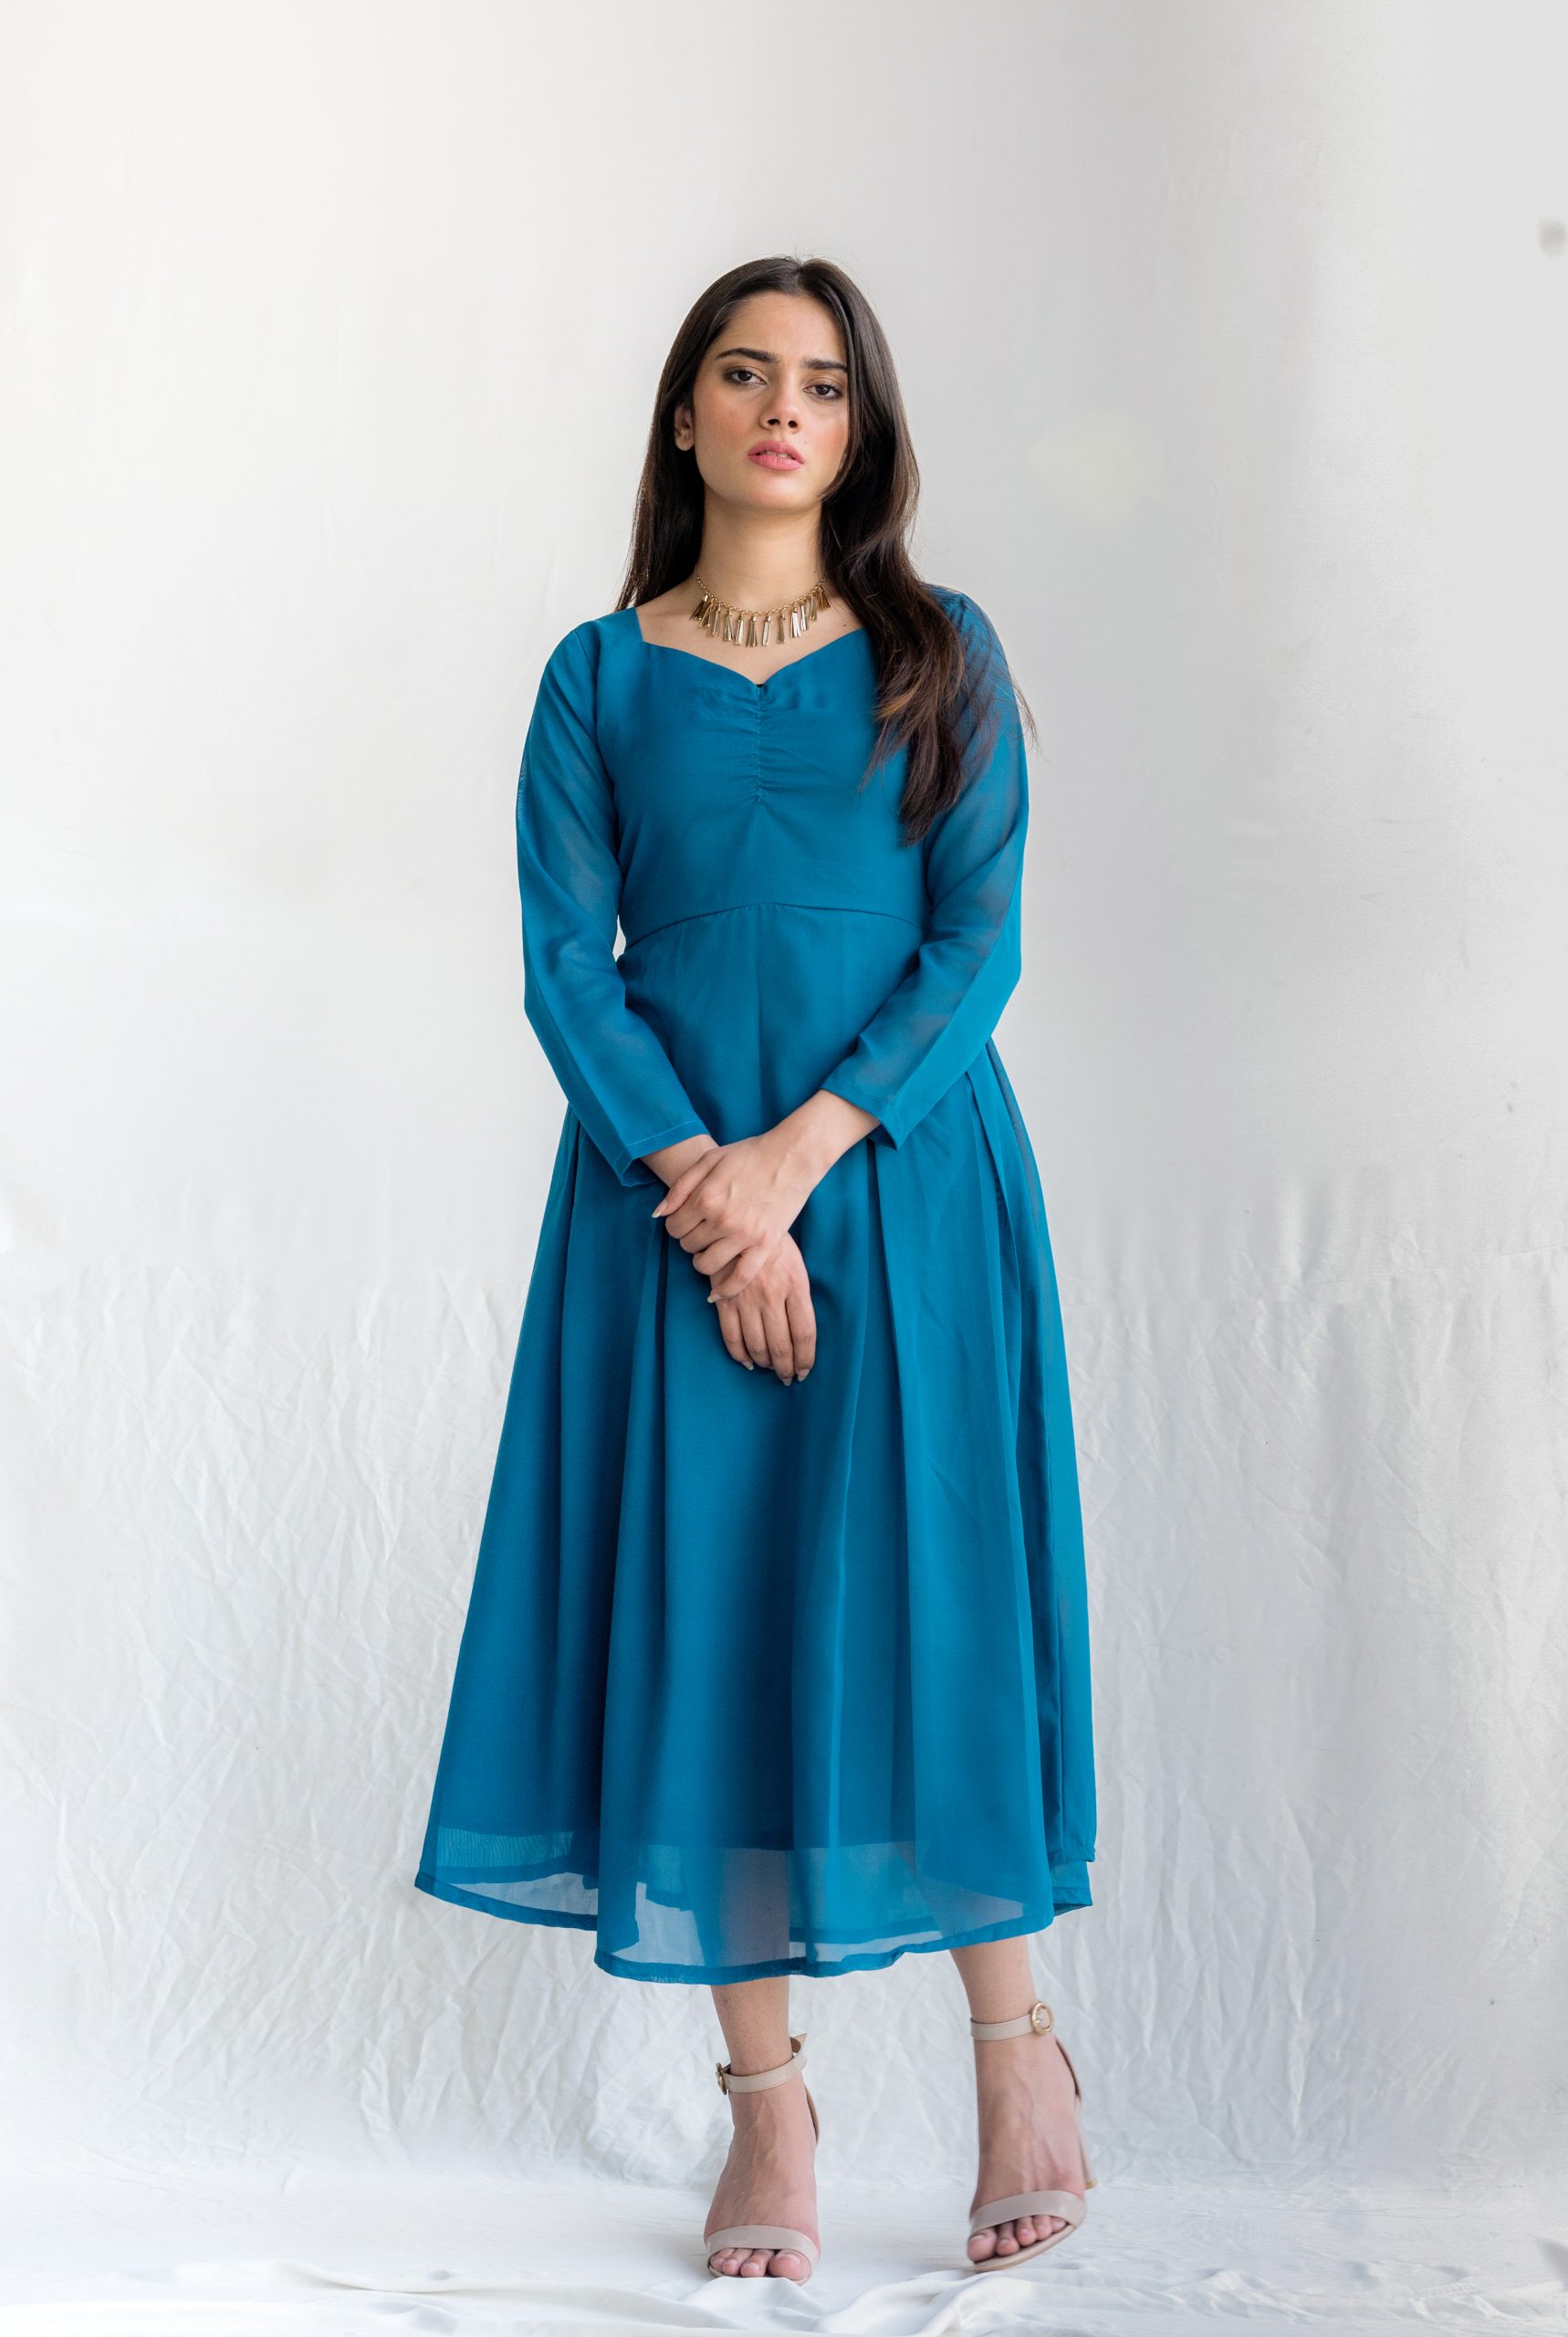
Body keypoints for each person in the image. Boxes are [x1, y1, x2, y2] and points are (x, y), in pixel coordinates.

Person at [413, 253, 1098, 2283]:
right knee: (708, 1608)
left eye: (820, 381)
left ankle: (1018, 2059)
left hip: (902, 1177)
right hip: (662, 1205)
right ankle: (766, 2108)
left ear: (860, 429)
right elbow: (566, 965)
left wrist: (792, 1164)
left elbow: (975, 939)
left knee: (933, 1601)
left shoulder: (940, 655)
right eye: (743, 372)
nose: (783, 407)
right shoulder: (593, 678)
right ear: (686, 414)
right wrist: (704, 1192)